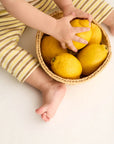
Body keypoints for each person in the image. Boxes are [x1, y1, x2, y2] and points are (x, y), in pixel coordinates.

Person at [0, 0, 114, 122]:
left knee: (77, 8)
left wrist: (67, 6)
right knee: (2, 46)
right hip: (8, 13)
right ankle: (48, 85)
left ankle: (111, 17)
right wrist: (55, 28)